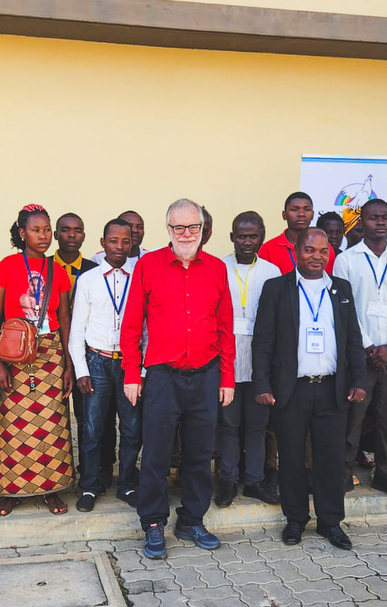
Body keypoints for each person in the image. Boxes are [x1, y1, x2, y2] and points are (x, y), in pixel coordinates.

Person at [122, 199, 235, 559]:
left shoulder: (216, 268)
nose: (186, 234)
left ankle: (191, 520)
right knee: (155, 453)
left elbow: (225, 328)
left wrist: (227, 378)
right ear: (168, 229)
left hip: (205, 376)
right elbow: (130, 325)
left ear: (203, 229)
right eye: (179, 228)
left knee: (200, 454)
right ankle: (154, 523)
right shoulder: (148, 265)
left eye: (194, 228)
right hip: (162, 376)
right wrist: (131, 373)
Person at [252, 228, 366, 548]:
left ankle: (330, 523)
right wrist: (262, 383)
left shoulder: (340, 288)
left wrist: (358, 379)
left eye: (323, 251)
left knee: (329, 459)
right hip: (292, 389)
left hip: (332, 388)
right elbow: (263, 341)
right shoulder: (277, 288)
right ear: (296, 251)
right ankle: (295, 520)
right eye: (309, 250)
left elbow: (352, 338)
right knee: (291, 458)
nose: (316, 256)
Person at [0, 205, 76, 516]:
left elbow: (64, 317)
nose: (44, 236)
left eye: (47, 230)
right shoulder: (7, 266)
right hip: (14, 353)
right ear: (22, 233)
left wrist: (68, 363)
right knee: (14, 426)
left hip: (50, 353)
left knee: (52, 424)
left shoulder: (58, 270)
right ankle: (12, 491)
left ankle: (52, 490)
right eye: (36, 230)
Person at [332, 200, 387, 500]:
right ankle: (342, 471)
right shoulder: (347, 260)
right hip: (359, 354)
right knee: (353, 415)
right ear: (362, 222)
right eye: (372, 218)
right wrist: (368, 346)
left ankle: (384, 472)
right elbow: (346, 305)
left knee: (385, 416)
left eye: (384, 217)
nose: (379, 223)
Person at [69, 218, 142, 511]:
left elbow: (146, 328)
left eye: (126, 241)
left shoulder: (139, 276)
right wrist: (81, 370)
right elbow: (77, 331)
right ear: (102, 243)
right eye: (114, 241)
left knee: (132, 428)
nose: (120, 247)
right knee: (92, 429)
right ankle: (89, 486)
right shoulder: (88, 279)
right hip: (97, 362)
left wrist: (143, 369)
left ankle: (126, 485)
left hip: (129, 362)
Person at [217, 211, 281, 508]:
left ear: (261, 237)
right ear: (232, 237)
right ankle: (228, 480)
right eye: (241, 236)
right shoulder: (218, 269)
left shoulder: (272, 272)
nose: (246, 241)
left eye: (252, 236)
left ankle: (254, 481)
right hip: (226, 364)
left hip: (259, 367)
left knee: (256, 427)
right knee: (228, 426)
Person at [52, 212, 102, 485]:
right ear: (56, 234)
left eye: (78, 230)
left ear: (84, 235)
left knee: (87, 415)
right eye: (66, 230)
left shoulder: (94, 270)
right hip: (50, 350)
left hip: (87, 351)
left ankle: (89, 470)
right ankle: (53, 470)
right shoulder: (45, 267)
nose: (72, 235)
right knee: (50, 412)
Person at [260, 192, 332, 275]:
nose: (301, 214)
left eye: (306, 209)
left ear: (313, 215)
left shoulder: (326, 248)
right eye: (294, 209)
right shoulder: (268, 249)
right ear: (284, 215)